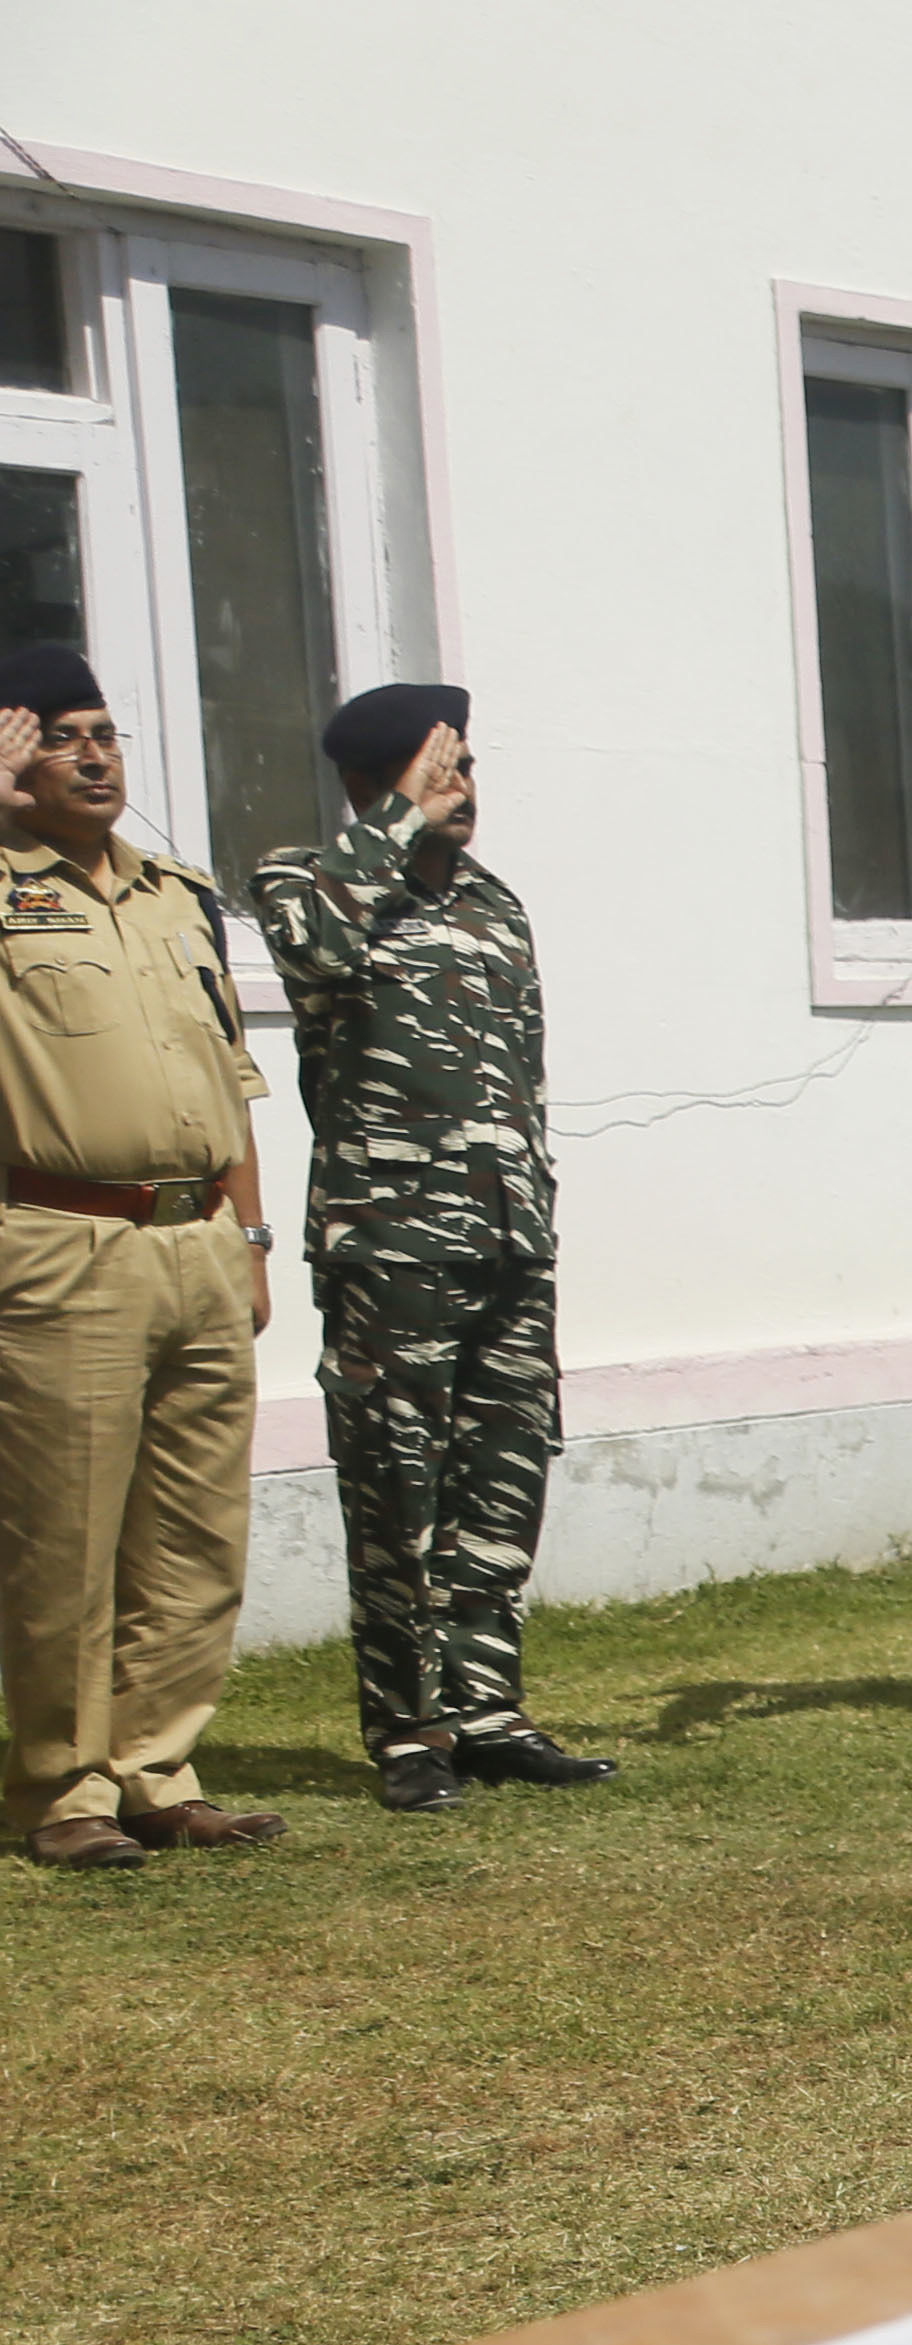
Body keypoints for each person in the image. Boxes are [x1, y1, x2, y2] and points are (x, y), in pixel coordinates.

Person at [253, 684, 605, 1812]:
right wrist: (393, 827)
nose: (461, 794)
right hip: (390, 1243)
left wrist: (533, 1206)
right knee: (398, 1485)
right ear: (373, 784)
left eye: (465, 771)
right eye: (435, 771)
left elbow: (524, 1072)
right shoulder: (309, 881)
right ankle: (410, 1730)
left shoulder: (496, 905)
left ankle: (489, 1708)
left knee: (502, 1478)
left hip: (508, 1234)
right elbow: (307, 953)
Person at [0, 648, 279, 1869]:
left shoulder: (178, 892)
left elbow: (231, 1076)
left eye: (104, 731)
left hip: (200, 1242)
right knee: (62, 1534)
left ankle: (158, 1768)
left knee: (194, 1529)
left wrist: (251, 1235)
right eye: (58, 735)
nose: (93, 753)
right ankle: (64, 1791)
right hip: (65, 1242)